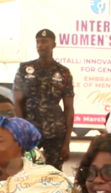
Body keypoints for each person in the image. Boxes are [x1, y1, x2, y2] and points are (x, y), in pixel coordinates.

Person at [13, 29, 75, 170]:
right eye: (38, 42)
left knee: (53, 172)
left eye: (45, 41)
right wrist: (21, 131)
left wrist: (67, 142)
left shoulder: (63, 73)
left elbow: (69, 108)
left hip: (55, 133)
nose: (40, 45)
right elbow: (17, 101)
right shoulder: (25, 69)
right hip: (29, 131)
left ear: (54, 45)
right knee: (26, 171)